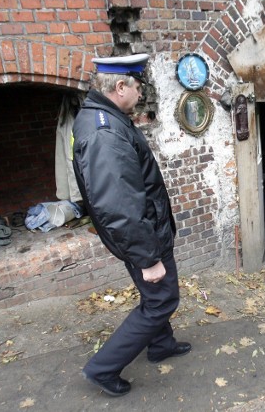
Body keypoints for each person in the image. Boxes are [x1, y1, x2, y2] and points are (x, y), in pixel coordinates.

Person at [72, 54, 191, 397]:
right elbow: (119, 206)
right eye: (138, 86)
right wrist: (147, 258)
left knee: (153, 296)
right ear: (120, 86)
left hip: (145, 232)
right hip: (143, 237)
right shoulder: (104, 132)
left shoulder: (103, 117)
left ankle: (161, 345)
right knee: (161, 301)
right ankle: (103, 367)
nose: (141, 94)